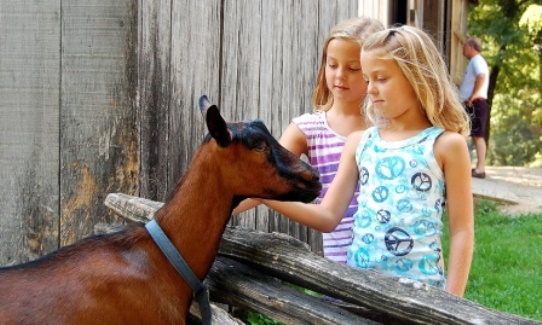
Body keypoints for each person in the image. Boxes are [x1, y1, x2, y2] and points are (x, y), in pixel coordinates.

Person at [257, 26, 474, 297]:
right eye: (368, 80)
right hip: (359, 290)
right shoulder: (360, 142)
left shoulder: (446, 145)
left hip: (423, 295)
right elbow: (327, 217)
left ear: (416, 77)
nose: (370, 90)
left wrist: (452, 305)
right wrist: (264, 194)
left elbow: (462, 232)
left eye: (381, 78)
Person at [232, 17, 385, 265]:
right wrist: (215, 210)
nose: (339, 75)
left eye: (353, 68)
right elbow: (264, 179)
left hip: (393, 264)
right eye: (332, 64)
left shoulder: (389, 128)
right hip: (341, 270)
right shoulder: (309, 129)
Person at [459, 37, 490, 178]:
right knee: (472, 135)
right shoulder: (475, 61)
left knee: (477, 136)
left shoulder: (477, 60)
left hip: (476, 103)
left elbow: (481, 76)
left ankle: (480, 169)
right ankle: (475, 167)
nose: (462, 49)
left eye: (464, 46)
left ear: (471, 47)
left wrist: (472, 96)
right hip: (474, 102)